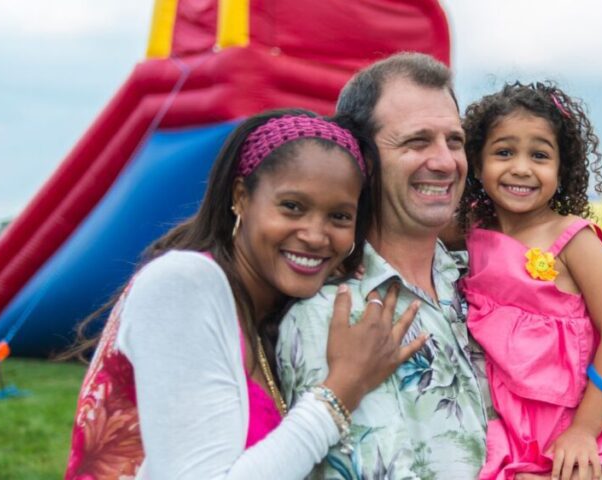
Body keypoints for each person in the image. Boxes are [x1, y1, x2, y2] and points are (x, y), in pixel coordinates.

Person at [64, 110, 428, 478]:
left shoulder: (268, 315)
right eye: (292, 207)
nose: (316, 236)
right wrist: (343, 387)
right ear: (241, 197)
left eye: (339, 217)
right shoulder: (183, 283)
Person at [276, 54, 492, 478]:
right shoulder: (329, 313)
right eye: (417, 142)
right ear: (363, 158)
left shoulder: (483, 281)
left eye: (454, 140)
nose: (445, 162)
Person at [457, 81, 602, 479]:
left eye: (539, 155)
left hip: (565, 425)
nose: (521, 168)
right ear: (476, 162)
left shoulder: (574, 239)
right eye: (504, 152)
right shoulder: (470, 232)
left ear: (562, 167)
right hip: (497, 420)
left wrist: (585, 431)